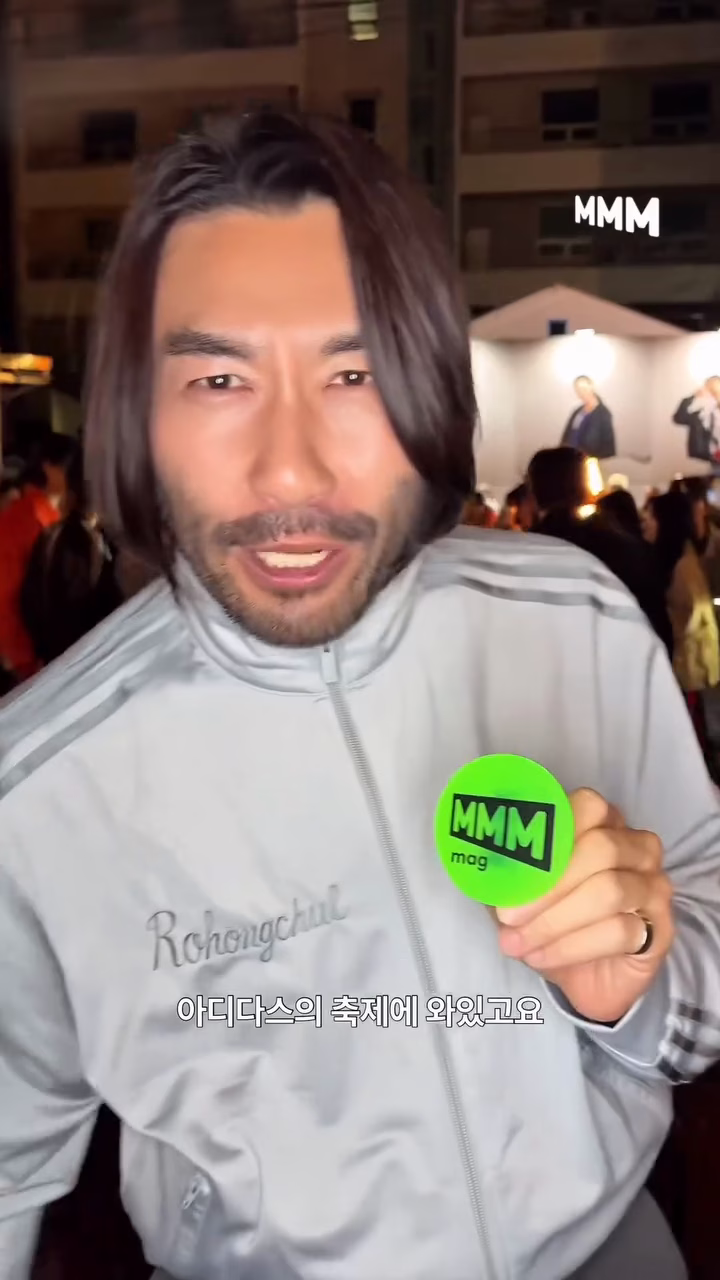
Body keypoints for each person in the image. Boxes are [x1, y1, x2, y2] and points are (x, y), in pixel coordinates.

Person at [1, 109, 716, 1280]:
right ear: (138, 412)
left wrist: (634, 981)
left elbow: (701, 940)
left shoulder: (574, 621)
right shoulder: (35, 790)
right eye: (219, 377)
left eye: (356, 372)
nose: (291, 467)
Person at [528, 447, 674, 656]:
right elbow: (654, 616)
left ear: (534, 492)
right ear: (583, 487)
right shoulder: (619, 544)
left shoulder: (526, 550)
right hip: (619, 659)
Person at [19, 447, 123, 666]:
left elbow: (30, 605)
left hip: (63, 662)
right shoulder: (92, 541)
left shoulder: (53, 535)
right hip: (87, 661)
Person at [643, 490, 720, 754]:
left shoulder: (682, 564)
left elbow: (697, 608)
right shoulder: (678, 557)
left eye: (651, 517)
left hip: (688, 667)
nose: (646, 523)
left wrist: (675, 632)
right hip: (688, 666)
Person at [0, 432, 79, 683]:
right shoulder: (22, 520)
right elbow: (6, 594)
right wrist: (22, 660)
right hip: (31, 663)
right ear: (50, 468)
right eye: (69, 467)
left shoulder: (56, 517)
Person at [560, 375, 616, 459]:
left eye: (584, 389)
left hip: (590, 460)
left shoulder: (603, 413)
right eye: (578, 391)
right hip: (571, 459)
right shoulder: (577, 412)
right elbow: (567, 435)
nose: (581, 393)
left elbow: (608, 444)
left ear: (592, 388)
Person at [672, 376, 720, 465]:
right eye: (709, 388)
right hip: (709, 457)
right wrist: (693, 397)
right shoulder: (699, 412)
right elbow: (679, 418)